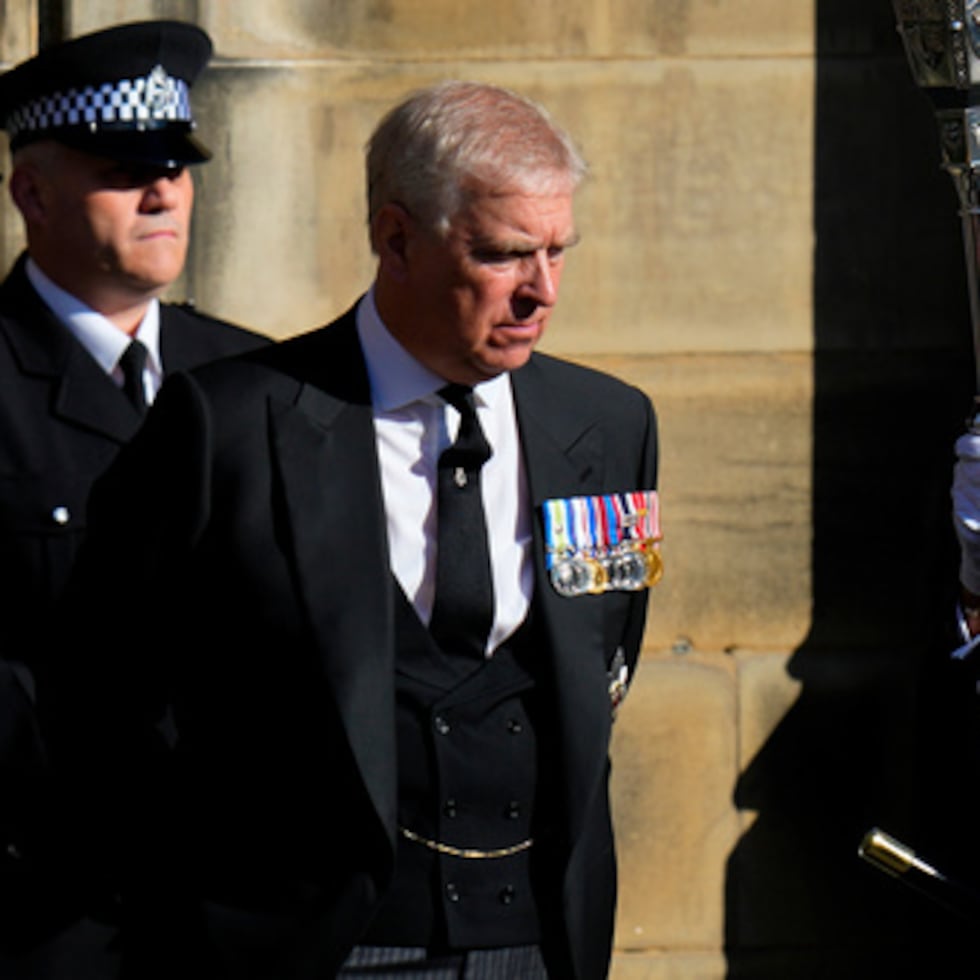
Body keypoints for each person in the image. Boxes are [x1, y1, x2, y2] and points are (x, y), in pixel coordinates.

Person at [42, 80, 660, 979]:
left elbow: (610, 650)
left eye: (560, 252)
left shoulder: (608, 425)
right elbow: (99, 700)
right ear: (395, 236)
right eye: (503, 255)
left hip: (538, 943)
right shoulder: (231, 426)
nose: (542, 291)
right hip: (304, 946)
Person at [0, 20, 268, 976]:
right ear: (32, 191)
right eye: (123, 168)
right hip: (46, 901)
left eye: (176, 165)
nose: (163, 191)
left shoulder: (252, 374)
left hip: (236, 902)